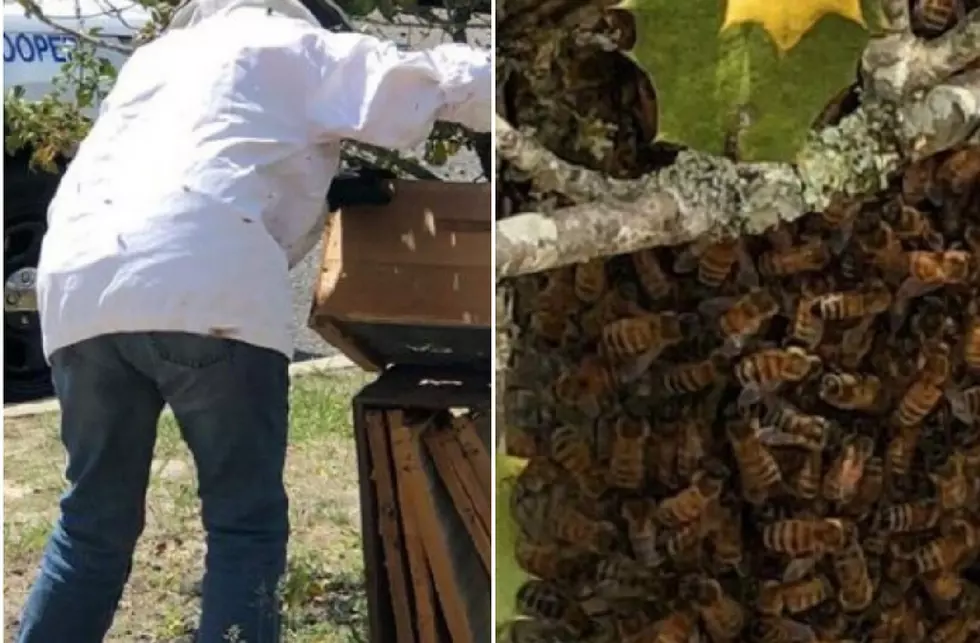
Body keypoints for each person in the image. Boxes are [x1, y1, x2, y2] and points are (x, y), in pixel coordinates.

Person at [14, 0, 491, 639]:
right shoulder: (283, 40)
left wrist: (319, 185)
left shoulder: (155, 62)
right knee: (243, 524)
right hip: (208, 277)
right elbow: (420, 87)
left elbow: (209, 153)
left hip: (78, 283)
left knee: (91, 525)